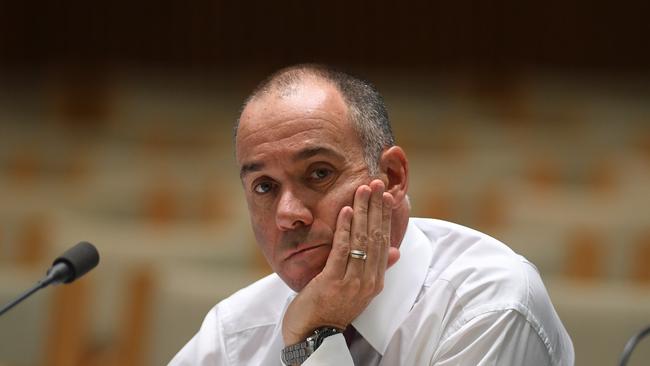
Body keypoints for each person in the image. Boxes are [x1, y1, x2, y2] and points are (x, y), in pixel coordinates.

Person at [169, 64, 574, 365]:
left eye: (319, 174)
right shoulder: (234, 331)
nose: (288, 214)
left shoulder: (489, 308)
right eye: (264, 187)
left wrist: (310, 341)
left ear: (393, 177)